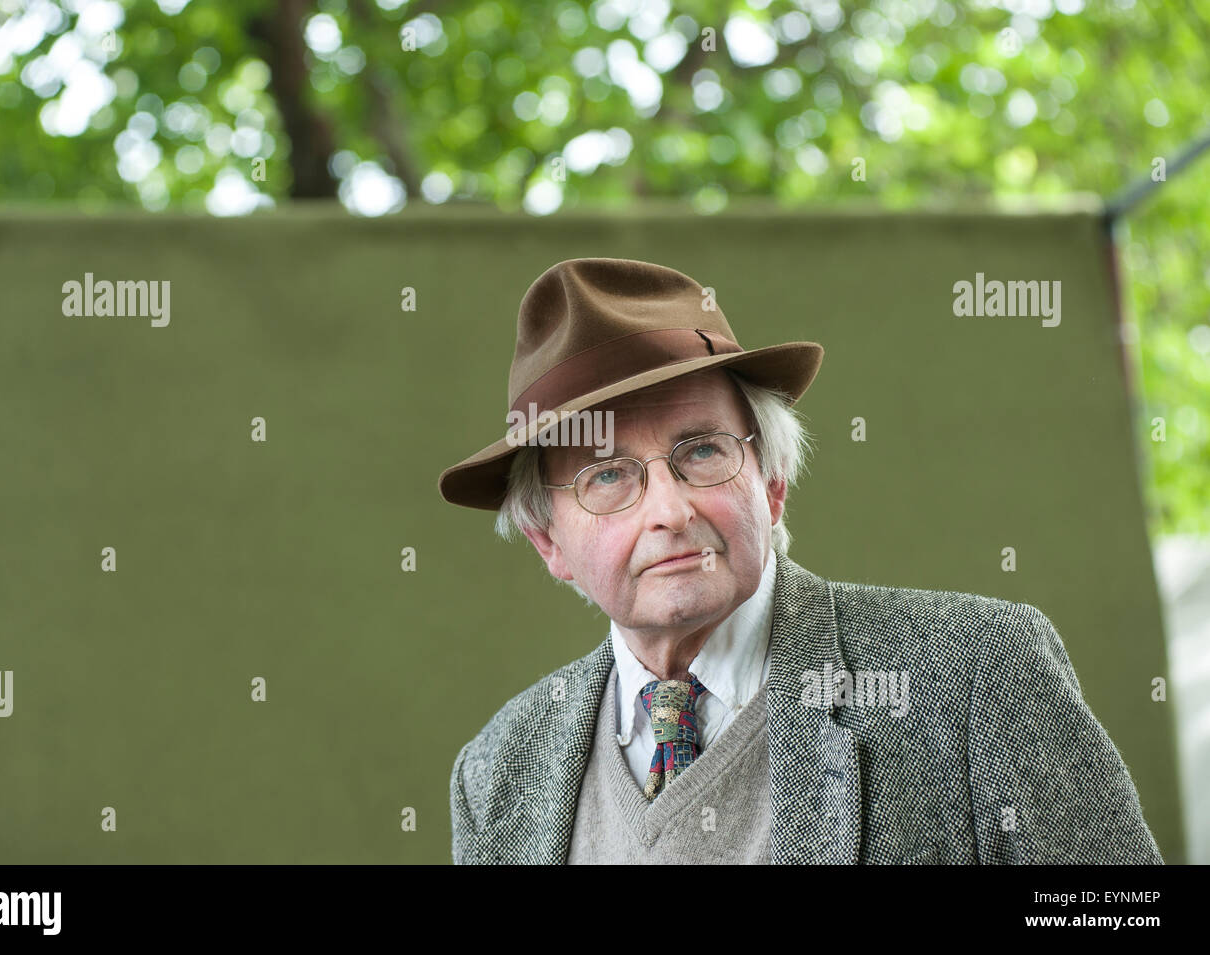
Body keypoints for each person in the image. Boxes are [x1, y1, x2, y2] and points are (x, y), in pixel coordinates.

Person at [438, 257, 1163, 864]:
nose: (669, 509)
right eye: (607, 475)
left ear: (773, 484)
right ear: (550, 543)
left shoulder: (976, 671)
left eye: (701, 451)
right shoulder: (497, 770)